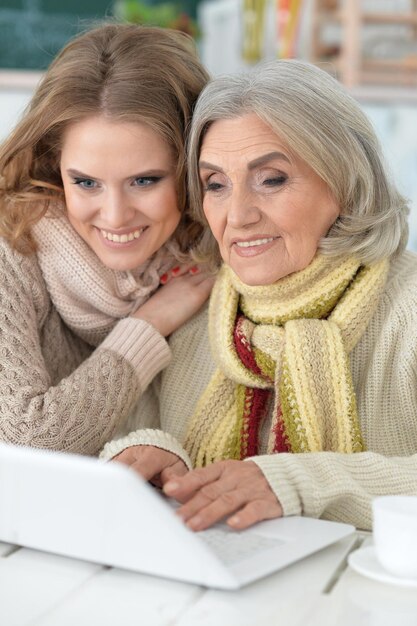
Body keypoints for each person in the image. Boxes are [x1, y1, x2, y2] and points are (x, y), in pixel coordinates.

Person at [100, 60, 417, 531]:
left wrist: (295, 481)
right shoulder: (189, 304)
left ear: (346, 183)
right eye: (216, 185)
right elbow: (127, 433)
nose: (238, 215)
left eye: (271, 179)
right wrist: (153, 452)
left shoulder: (407, 307)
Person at [0, 23, 213, 455]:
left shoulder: (215, 251)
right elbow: (25, 440)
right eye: (86, 182)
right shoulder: (12, 246)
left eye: (144, 180)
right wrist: (149, 325)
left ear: (191, 166)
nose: (115, 215)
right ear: (52, 165)